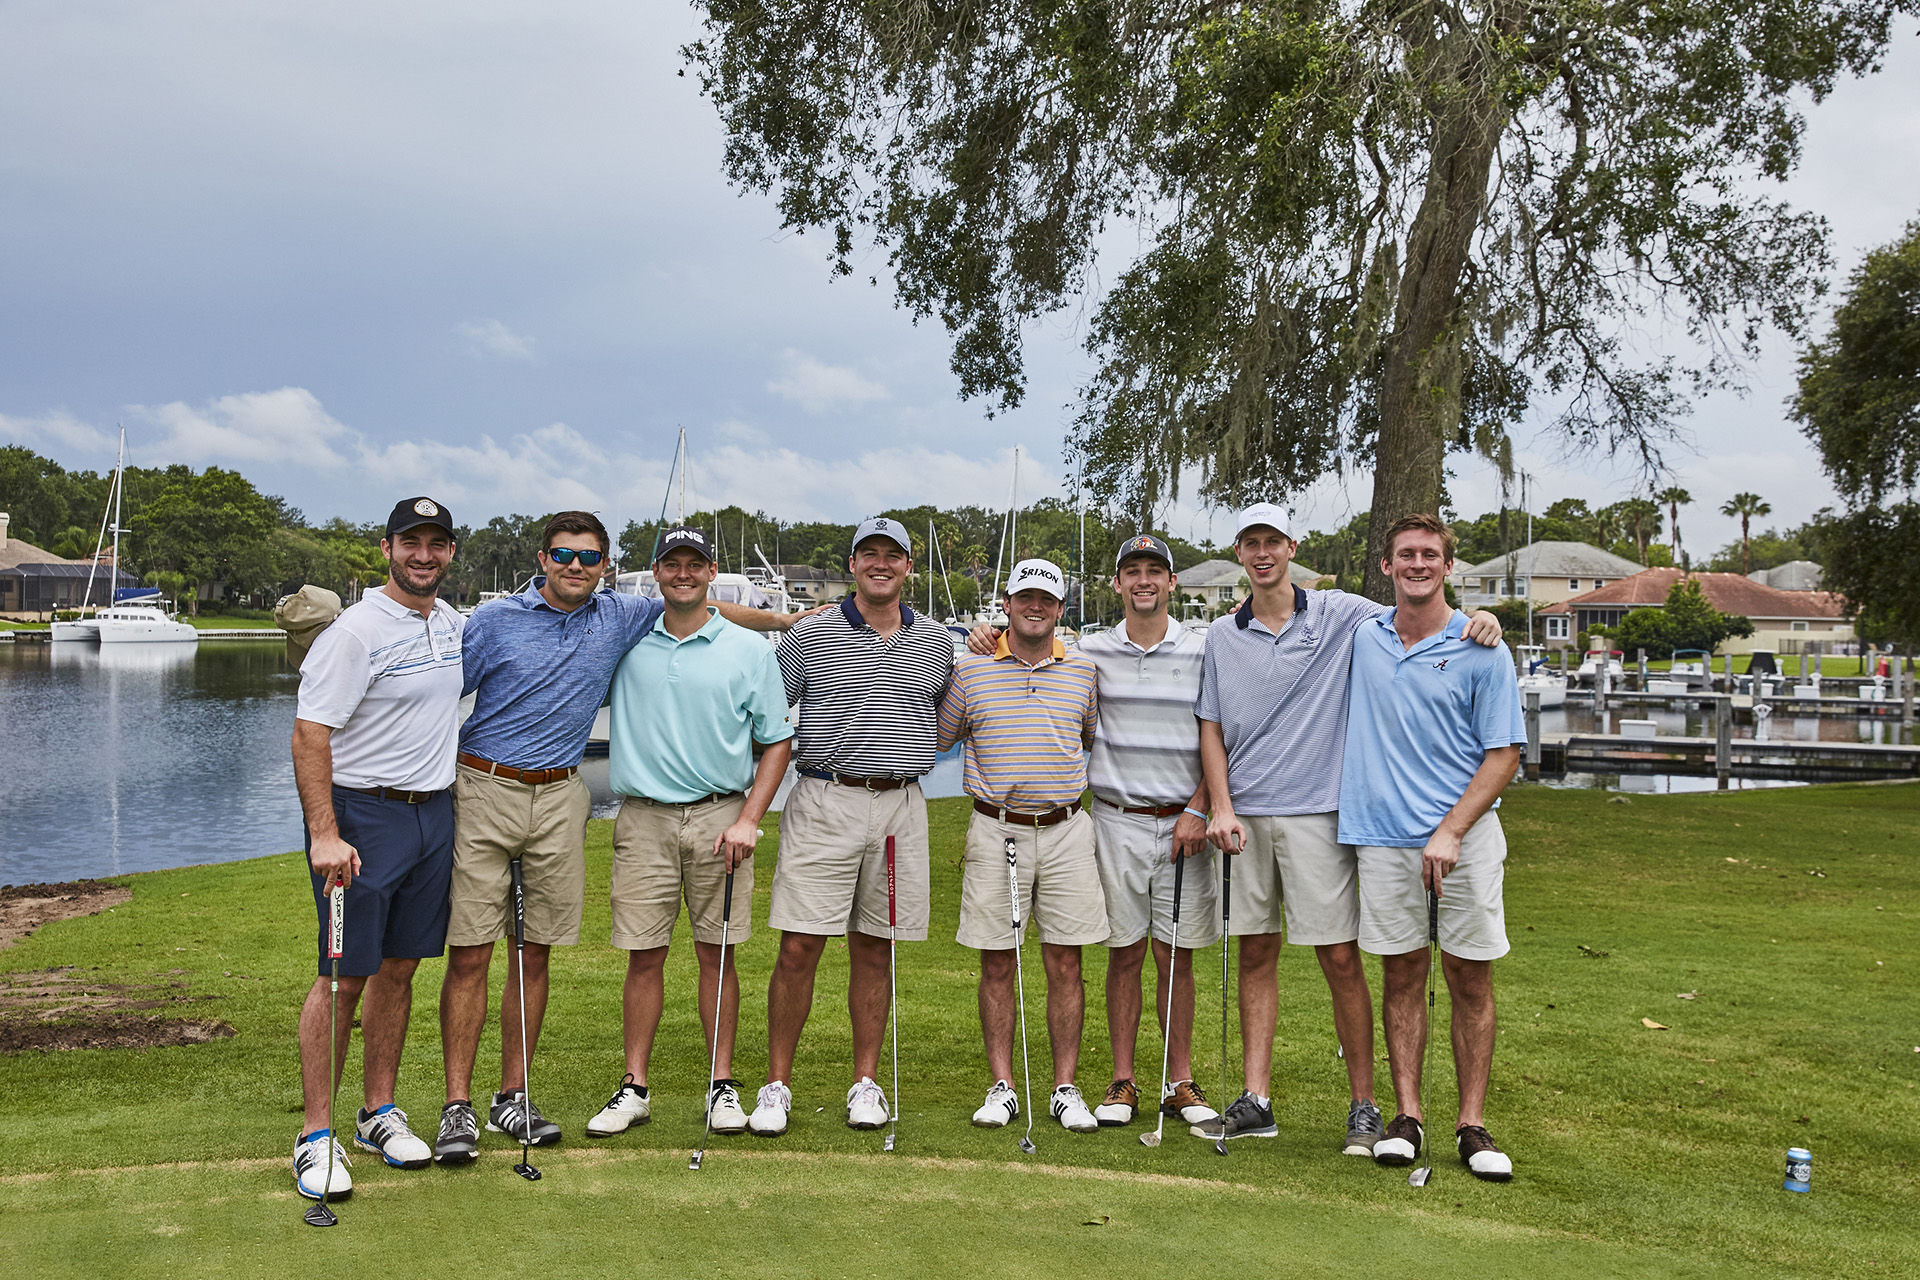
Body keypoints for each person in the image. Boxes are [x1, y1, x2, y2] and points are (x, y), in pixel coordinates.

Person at [435, 511, 799, 1163]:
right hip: (512, 793)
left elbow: (715, 632)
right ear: (543, 558)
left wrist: (781, 623)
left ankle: (522, 1096)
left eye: (588, 558)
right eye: (564, 555)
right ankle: (470, 1106)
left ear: (607, 567)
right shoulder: (517, 623)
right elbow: (433, 694)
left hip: (600, 801)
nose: (576, 566)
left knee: (544, 950)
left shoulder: (632, 622)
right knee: (476, 952)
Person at [1198, 503, 1503, 1150]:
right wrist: (1218, 805)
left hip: (1319, 812)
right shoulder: (1223, 635)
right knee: (1255, 951)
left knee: (1340, 957)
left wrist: (1485, 616)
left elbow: (1421, 614)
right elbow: (1212, 727)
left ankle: (1365, 1103)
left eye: (1272, 541)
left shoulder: (1347, 617)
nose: (1262, 553)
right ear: (1239, 552)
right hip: (1247, 815)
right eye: (1250, 543)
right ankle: (1257, 1097)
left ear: (1291, 547)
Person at [748, 517, 956, 1137]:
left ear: (909, 567)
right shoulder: (808, 633)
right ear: (854, 564)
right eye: (870, 554)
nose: (881, 564)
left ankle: (866, 1082)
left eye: (894, 556)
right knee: (799, 944)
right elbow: (773, 721)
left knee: (876, 944)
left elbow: (946, 725)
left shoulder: (943, 643)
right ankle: (777, 1085)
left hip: (899, 804)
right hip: (825, 799)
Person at [584, 527, 794, 1138]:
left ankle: (721, 1086)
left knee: (717, 953)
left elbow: (777, 740)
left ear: (712, 570)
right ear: (655, 573)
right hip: (643, 816)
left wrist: (750, 819)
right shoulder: (627, 639)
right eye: (671, 564)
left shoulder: (748, 649)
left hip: (720, 816)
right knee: (643, 955)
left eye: (694, 564)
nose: (683, 573)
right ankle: (634, 1087)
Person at [1338, 513, 1524, 1181]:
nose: (1416, 564)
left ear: (1449, 567)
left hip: (1466, 839)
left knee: (1470, 976)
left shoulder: (1483, 647)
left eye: (1429, 555)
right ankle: (1407, 1116)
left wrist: (1451, 830)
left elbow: (1504, 755)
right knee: (1402, 976)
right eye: (1404, 555)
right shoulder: (1363, 637)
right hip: (1384, 839)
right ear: (1386, 567)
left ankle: (1471, 1124)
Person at [290, 497, 464, 1201]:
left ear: (451, 552)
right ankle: (315, 1136)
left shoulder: (452, 625)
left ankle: (377, 1113)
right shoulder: (354, 632)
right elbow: (310, 734)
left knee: (399, 971)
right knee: (342, 976)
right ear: (387, 548)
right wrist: (324, 833)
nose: (424, 555)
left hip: (432, 818)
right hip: (363, 818)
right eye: (411, 543)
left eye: (437, 544)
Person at [940, 559, 1106, 1134]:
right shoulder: (971, 669)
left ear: (1060, 610)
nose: (1035, 607)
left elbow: (1085, 737)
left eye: (1047, 600)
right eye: (1024, 597)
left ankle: (1064, 1087)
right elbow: (940, 735)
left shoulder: (1083, 671)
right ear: (1006, 604)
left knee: (1066, 960)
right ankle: (1003, 1085)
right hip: (995, 827)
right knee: (997, 960)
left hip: (1065, 828)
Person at [1075, 536, 1220, 1130]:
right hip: (1116, 819)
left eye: (1154, 571)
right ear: (1117, 584)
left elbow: (1223, 736)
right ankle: (1122, 1078)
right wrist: (985, 635)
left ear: (1172, 582)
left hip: (1185, 823)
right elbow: (1019, 645)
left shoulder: (1206, 647)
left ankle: (1178, 1078)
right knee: (1125, 953)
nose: (1143, 580)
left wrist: (1202, 808)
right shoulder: (1088, 651)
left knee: (1176, 956)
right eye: (1131, 571)